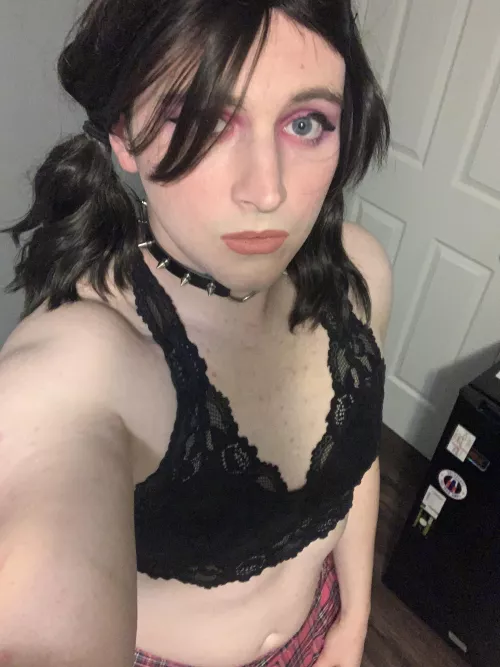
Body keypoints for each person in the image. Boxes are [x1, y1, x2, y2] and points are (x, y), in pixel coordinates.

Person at [0, 0, 392, 665]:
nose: (266, 191)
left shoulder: (361, 274)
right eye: (204, 121)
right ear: (124, 133)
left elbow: (360, 462)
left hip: (322, 626)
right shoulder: (83, 363)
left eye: (306, 123)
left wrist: (353, 621)